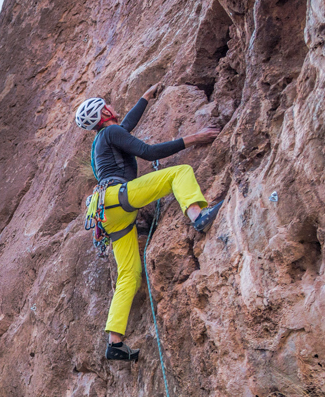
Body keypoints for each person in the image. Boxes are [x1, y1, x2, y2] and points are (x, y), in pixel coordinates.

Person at [75, 84, 221, 361]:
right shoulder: (111, 132)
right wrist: (194, 138)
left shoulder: (103, 139)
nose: (112, 106)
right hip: (119, 197)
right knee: (179, 173)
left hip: (107, 216)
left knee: (129, 274)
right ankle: (198, 216)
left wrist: (145, 97)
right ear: (105, 112)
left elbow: (126, 125)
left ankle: (115, 341)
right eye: (108, 105)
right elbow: (148, 152)